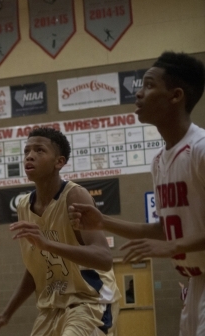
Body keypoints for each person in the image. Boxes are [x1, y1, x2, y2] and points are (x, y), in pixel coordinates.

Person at [69, 51, 205, 336]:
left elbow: (169, 241)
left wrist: (172, 247)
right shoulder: (159, 160)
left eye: (149, 85)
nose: (139, 93)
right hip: (194, 285)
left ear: (176, 95)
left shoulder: (201, 150)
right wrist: (103, 222)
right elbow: (161, 228)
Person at [0, 128, 120, 336]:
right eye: (27, 151)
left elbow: (104, 257)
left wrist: (48, 244)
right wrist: (5, 315)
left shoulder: (74, 196)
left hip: (89, 301)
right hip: (50, 310)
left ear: (59, 162)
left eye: (39, 150)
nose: (30, 155)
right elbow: (36, 268)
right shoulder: (24, 207)